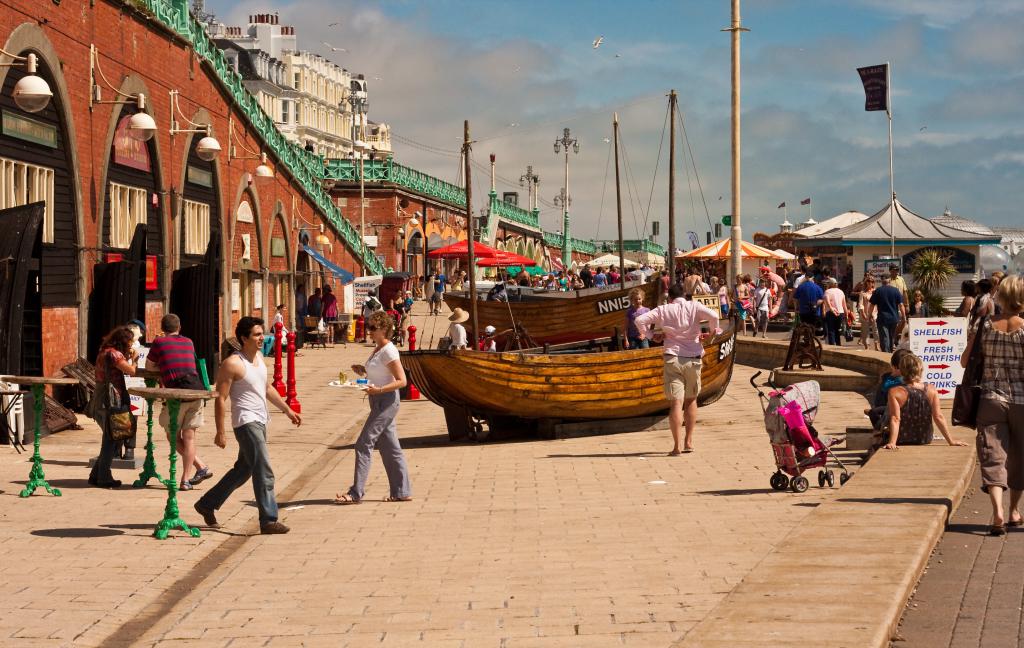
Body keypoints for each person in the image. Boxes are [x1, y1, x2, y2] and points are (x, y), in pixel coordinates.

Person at [194, 317, 301, 534]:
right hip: (245, 422)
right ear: (244, 338)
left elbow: (266, 387)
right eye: (256, 334)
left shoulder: (259, 358)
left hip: (261, 419)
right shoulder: (232, 363)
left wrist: (287, 409)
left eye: (262, 333)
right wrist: (220, 432)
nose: (262, 338)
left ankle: (207, 503)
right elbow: (220, 398)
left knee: (243, 470)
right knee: (264, 468)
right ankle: (269, 520)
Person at [961, 275, 1024, 535]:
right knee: (1020, 457)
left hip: (990, 397)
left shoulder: (985, 325)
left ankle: (997, 511)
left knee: (992, 455)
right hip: (1022, 400)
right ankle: (1013, 511)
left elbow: (966, 361)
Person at [336, 310, 412, 504]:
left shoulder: (388, 350)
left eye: (372, 328)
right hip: (378, 399)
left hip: (386, 401)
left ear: (384, 329)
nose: (368, 331)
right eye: (368, 327)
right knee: (390, 447)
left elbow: (402, 381)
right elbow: (379, 372)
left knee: (363, 443)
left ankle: (355, 493)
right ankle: (402, 491)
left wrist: (378, 390)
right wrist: (362, 370)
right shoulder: (378, 348)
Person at [635, 283, 719, 456]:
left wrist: (651, 336)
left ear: (670, 297)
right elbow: (714, 316)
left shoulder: (663, 309)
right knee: (691, 400)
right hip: (693, 357)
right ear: (685, 295)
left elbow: (639, 321)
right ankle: (689, 441)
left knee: (675, 403)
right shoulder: (694, 306)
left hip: (672, 357)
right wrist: (710, 334)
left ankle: (676, 447)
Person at [145, 313, 212, 491]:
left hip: (177, 393)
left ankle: (200, 468)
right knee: (189, 437)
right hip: (196, 391)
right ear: (179, 328)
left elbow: (149, 367)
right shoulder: (189, 342)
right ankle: (188, 478)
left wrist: (162, 366)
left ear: (162, 328)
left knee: (172, 436)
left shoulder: (159, 343)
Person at [883, 353, 966, 451]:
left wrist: (892, 442)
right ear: (920, 369)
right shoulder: (931, 389)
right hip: (924, 438)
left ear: (901, 370)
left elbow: (895, 418)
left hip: (902, 438)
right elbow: (938, 417)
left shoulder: (895, 392)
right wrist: (951, 441)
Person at [89, 326, 137, 488]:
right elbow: (131, 371)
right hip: (110, 400)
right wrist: (135, 359)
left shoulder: (105, 351)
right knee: (112, 440)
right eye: (129, 343)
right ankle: (104, 477)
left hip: (101, 398)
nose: (131, 346)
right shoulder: (114, 354)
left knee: (110, 438)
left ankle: (96, 474)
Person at [865, 349, 910, 429]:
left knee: (874, 412)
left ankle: (880, 429)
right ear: (892, 365)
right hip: (883, 406)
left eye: (900, 369)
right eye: (896, 368)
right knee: (875, 412)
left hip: (895, 407)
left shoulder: (906, 381)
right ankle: (880, 426)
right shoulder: (886, 377)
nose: (898, 371)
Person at [868, 274, 906, 353]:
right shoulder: (896, 290)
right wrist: (903, 316)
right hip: (894, 318)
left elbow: (871, 305)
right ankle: (890, 354)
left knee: (884, 338)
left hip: (882, 318)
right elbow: (901, 305)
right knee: (891, 337)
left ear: (882, 280)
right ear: (889, 280)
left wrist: (869, 315)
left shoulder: (878, 291)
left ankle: (886, 356)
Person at [822, 277, 847, 346]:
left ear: (830, 284)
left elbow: (827, 301)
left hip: (831, 312)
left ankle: (832, 345)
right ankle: (838, 345)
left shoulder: (827, 291)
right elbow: (844, 304)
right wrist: (846, 314)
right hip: (840, 313)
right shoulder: (841, 291)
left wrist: (831, 308)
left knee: (831, 330)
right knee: (837, 330)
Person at [858, 275, 879, 351]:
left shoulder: (876, 292)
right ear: (866, 282)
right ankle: (867, 346)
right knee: (865, 331)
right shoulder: (862, 292)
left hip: (874, 314)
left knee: (876, 330)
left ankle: (876, 345)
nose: (870, 282)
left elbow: (878, 303)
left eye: (872, 281)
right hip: (865, 313)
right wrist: (863, 313)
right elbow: (860, 304)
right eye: (869, 281)